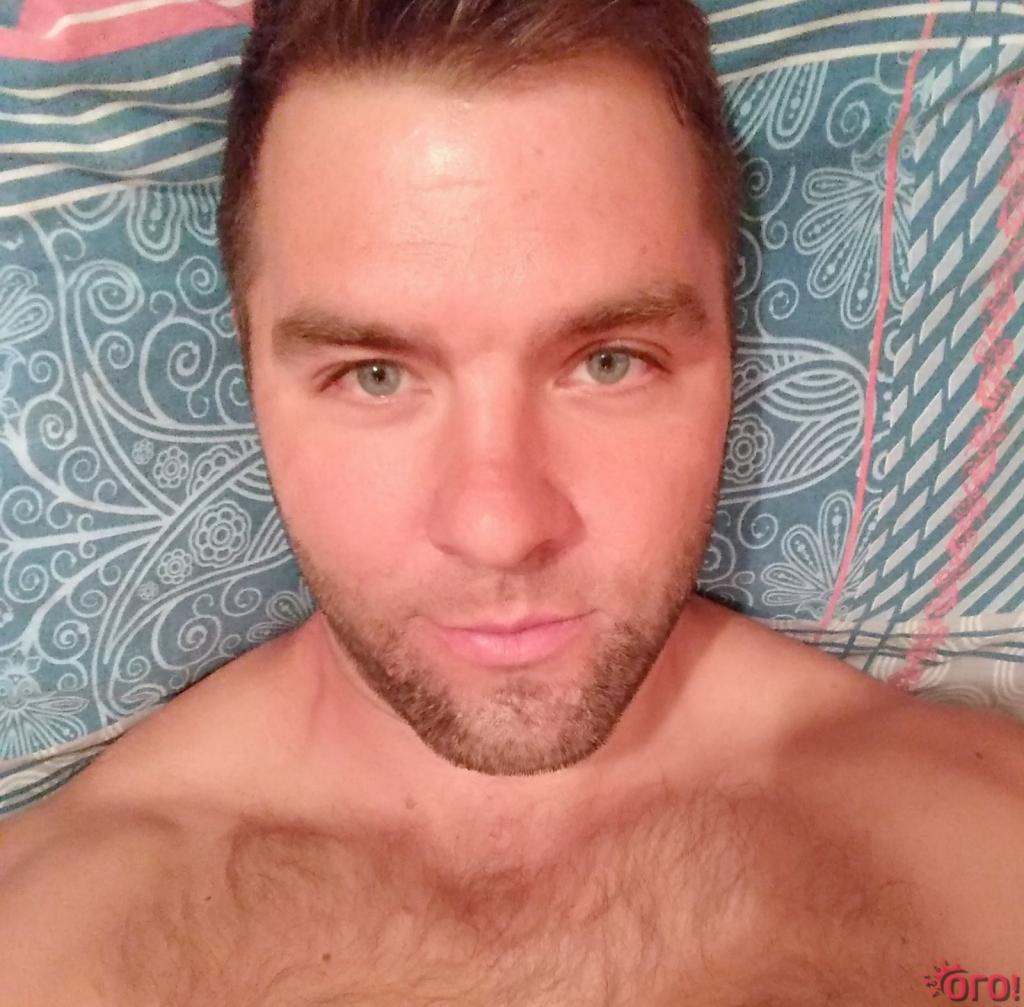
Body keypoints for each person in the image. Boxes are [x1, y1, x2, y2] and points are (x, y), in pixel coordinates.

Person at [2, 1, 1023, 1003]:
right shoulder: (42, 932)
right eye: (374, 375)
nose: (500, 530)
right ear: (247, 364)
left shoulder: (986, 850)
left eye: (610, 361)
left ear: (730, 339)